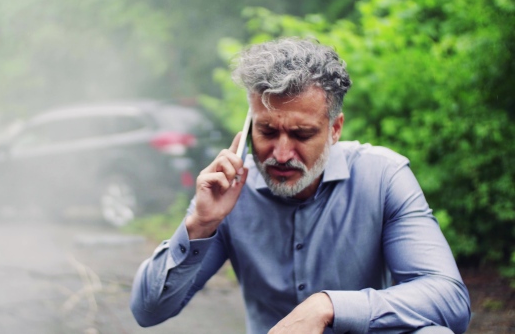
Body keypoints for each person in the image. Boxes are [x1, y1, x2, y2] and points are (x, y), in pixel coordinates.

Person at [130, 37, 471, 333]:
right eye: (266, 131)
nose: (280, 153)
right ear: (249, 125)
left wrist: (328, 306)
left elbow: (449, 298)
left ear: (335, 129)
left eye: (301, 134)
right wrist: (200, 225)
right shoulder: (227, 190)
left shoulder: (382, 176)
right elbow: (148, 312)